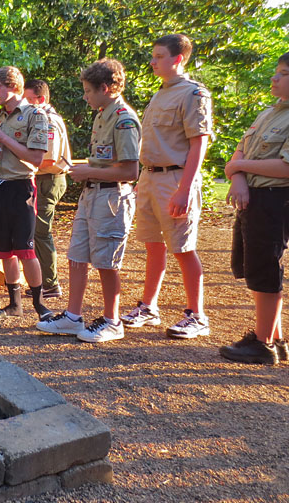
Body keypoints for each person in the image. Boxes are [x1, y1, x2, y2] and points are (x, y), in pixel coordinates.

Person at [36, 58, 141, 342]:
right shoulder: (102, 114)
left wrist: (87, 171)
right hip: (91, 194)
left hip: (111, 197)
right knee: (77, 256)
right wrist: (84, 170)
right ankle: (73, 316)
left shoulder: (124, 119)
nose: (85, 96)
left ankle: (112, 321)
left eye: (88, 91)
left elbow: (131, 171)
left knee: (106, 262)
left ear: (105, 88)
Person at [121, 34, 213, 339]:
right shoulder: (160, 94)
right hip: (149, 178)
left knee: (183, 248)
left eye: (159, 56)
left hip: (175, 178)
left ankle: (196, 314)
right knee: (152, 245)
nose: (152, 61)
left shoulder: (193, 94)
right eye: (153, 55)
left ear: (178, 59)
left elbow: (198, 144)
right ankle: (148, 306)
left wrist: (184, 189)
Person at [220, 52, 289, 364]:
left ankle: (262, 344)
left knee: (264, 267)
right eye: (276, 72)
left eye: (283, 74)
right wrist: (239, 177)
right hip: (255, 197)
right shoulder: (268, 113)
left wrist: (238, 167)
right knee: (255, 265)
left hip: (275, 198)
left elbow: (285, 167)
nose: (274, 78)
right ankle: (274, 337)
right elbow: (240, 150)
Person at [0, 66, 52, 322]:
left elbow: (35, 158)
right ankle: (14, 304)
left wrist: (2, 138)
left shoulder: (35, 115)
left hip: (21, 186)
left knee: (26, 249)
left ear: (12, 86)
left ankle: (40, 303)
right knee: (5, 252)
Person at [23, 79, 72, 299]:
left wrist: (19, 163)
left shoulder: (48, 121)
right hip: (44, 180)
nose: (25, 104)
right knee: (38, 231)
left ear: (40, 100)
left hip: (49, 180)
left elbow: (48, 159)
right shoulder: (42, 118)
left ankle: (51, 284)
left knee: (41, 232)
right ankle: (45, 280)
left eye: (29, 99)